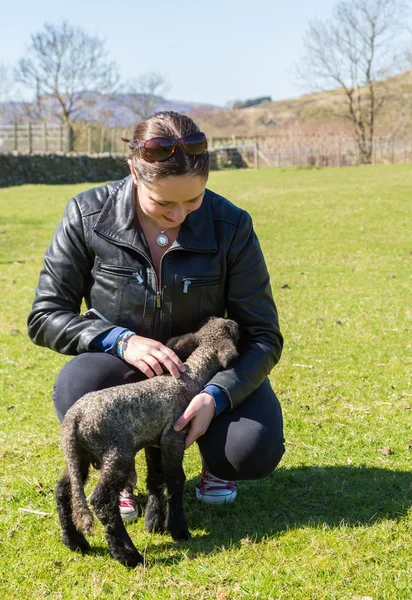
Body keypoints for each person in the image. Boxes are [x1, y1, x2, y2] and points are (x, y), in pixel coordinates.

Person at [28, 111, 285, 522]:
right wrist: (120, 340)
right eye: (164, 202)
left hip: (200, 372)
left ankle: (213, 467)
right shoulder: (86, 214)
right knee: (77, 385)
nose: (180, 216)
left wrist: (216, 397)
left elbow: (263, 335)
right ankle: (121, 471)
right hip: (121, 369)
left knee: (249, 449)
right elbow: (45, 315)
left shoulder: (232, 224)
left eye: (194, 200)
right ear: (133, 170)